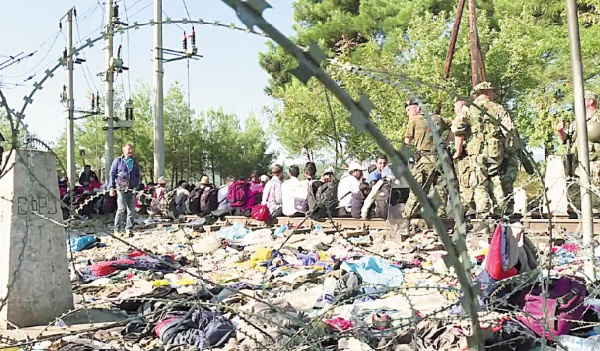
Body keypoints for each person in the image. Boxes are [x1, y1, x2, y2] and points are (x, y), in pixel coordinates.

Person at [461, 82, 507, 218]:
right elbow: (509, 129)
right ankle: (500, 209)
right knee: (495, 177)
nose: (493, 94)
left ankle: (483, 211)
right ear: (486, 92)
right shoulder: (498, 108)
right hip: (494, 149)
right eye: (491, 91)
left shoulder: (469, 109)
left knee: (479, 179)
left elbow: (456, 127)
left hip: (476, 149)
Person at [402, 100, 448, 225]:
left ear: (416, 109)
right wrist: (447, 142)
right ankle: (441, 217)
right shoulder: (437, 118)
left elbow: (407, 141)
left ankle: (407, 217)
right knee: (440, 188)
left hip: (425, 158)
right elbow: (454, 125)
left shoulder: (414, 120)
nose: (408, 114)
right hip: (441, 158)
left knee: (418, 187)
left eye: (408, 110)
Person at [557, 90, 600, 210]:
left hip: (594, 164)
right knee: (575, 201)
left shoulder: (598, 118)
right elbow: (565, 139)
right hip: (577, 164)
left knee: (596, 200)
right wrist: (560, 131)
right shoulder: (577, 121)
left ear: (591, 101)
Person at [109, 143, 141, 236]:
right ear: (123, 151)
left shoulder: (135, 162)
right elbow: (112, 174)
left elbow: (138, 175)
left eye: (131, 149)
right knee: (121, 209)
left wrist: (137, 186)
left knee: (131, 210)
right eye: (128, 149)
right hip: (121, 188)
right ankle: (117, 229)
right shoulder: (118, 161)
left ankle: (129, 230)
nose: (130, 151)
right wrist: (111, 188)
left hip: (132, 189)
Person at [452, 97, 475, 217]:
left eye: (455, 105)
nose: (454, 108)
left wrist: (457, 151)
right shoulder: (474, 112)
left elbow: (459, 133)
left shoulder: (463, 114)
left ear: (460, 104)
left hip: (467, 154)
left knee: (465, 180)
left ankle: (468, 209)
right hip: (478, 153)